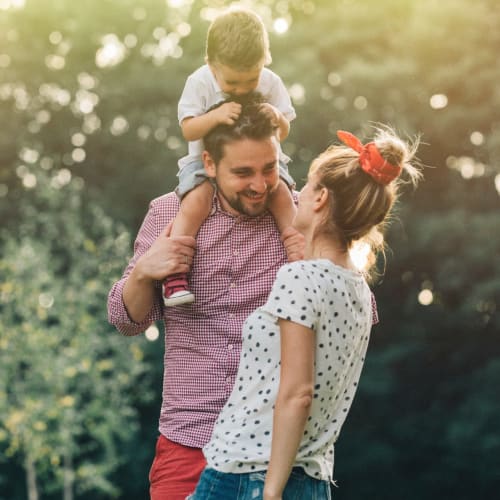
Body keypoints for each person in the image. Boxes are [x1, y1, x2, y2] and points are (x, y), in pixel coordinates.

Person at [188, 128, 422, 500]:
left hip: (248, 477)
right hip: (312, 483)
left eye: (308, 186)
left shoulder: (300, 277)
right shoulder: (358, 289)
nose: (295, 194)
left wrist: (270, 492)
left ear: (321, 199)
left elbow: (298, 393)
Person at [107, 99, 304, 500]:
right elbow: (126, 320)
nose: (260, 185)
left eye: (269, 169)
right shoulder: (168, 213)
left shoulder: (300, 218)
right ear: (210, 163)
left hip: (275, 447)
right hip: (189, 440)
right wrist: (146, 270)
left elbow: (354, 312)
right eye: (243, 172)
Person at [162, 7, 297, 307]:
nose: (240, 90)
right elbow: (189, 129)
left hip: (263, 160)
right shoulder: (199, 83)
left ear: (265, 61)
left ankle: (300, 258)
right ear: (211, 65)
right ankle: (175, 275)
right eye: (232, 84)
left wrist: (275, 116)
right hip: (202, 164)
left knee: (283, 197)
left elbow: (284, 131)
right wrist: (217, 116)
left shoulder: (271, 82)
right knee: (195, 203)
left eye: (250, 82)